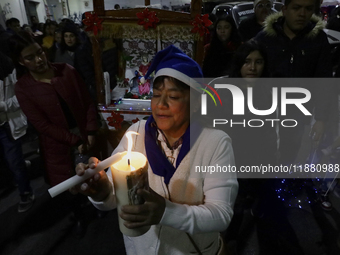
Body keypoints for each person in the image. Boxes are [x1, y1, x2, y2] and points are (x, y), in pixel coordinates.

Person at [73, 45, 238, 254]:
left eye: (173, 97)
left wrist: (165, 213)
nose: (161, 104)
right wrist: (102, 191)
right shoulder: (137, 133)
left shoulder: (215, 143)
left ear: (196, 103)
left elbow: (221, 214)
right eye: (156, 94)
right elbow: (115, 195)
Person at [9, 31, 99, 235]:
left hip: (83, 133)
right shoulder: (23, 87)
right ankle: (78, 215)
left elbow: (87, 102)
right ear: (21, 61)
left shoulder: (66, 71)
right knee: (68, 184)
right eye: (30, 57)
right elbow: (41, 124)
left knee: (91, 173)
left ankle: (97, 204)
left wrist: (91, 129)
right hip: (56, 143)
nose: (39, 59)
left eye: (40, 52)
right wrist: (74, 140)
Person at [255, 0, 333, 164]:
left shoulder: (318, 40)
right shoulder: (265, 38)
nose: (302, 14)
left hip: (302, 115)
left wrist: (321, 119)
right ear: (284, 9)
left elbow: (324, 81)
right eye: (296, 8)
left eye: (308, 9)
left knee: (293, 161)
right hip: (267, 113)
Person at [0, 51, 34, 213]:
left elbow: (21, 96)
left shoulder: (8, 67)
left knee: (14, 160)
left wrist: (3, 106)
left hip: (7, 124)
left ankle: (25, 192)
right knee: (9, 161)